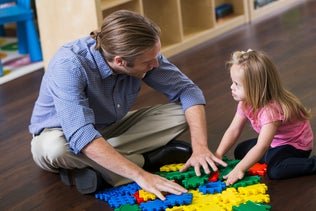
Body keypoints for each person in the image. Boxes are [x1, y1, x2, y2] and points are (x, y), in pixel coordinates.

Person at [29, 10, 226, 200]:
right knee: (55, 149)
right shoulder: (69, 66)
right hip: (61, 134)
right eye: (149, 62)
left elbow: (188, 91)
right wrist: (142, 175)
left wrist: (200, 147)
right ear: (120, 61)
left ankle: (98, 168)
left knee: (184, 114)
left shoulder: (141, 53)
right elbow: (81, 135)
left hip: (110, 127)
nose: (156, 65)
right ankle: (146, 160)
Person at [215, 49, 315, 185]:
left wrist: (239, 169)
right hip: (274, 142)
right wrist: (218, 154)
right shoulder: (245, 102)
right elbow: (234, 130)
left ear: (255, 87)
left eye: (237, 84)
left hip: (294, 146)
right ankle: (271, 157)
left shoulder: (270, 111)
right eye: (233, 82)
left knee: (275, 171)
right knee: (240, 150)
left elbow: (262, 146)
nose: (231, 87)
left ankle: (312, 163)